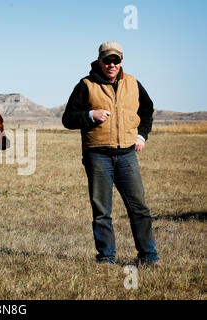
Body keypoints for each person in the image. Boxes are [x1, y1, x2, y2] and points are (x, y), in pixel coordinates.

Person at [62, 41, 160, 266]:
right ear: (99, 61)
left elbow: (147, 110)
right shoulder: (86, 85)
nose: (111, 64)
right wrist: (90, 115)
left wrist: (142, 135)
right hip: (97, 155)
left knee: (140, 208)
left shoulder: (133, 83)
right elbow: (68, 118)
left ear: (122, 61)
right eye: (107, 60)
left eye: (116, 60)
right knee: (102, 211)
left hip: (127, 155)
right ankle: (106, 257)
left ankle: (148, 256)